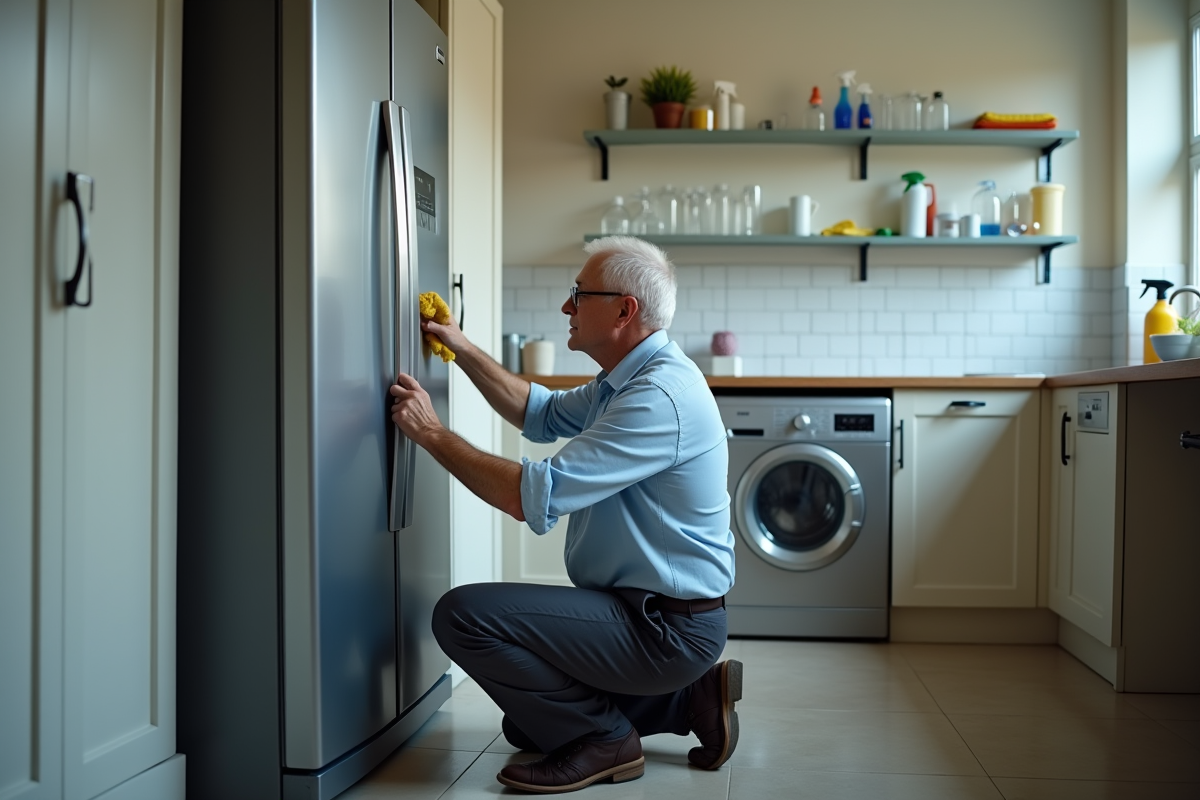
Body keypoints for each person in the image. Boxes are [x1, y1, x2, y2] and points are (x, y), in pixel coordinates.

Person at [389, 235, 742, 794]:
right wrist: (459, 344)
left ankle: (608, 741)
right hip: (642, 611)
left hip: (665, 628)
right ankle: (688, 701)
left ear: (624, 311)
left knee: (462, 616)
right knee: (524, 725)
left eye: (579, 294)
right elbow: (540, 412)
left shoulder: (658, 396)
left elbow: (530, 494)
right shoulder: (626, 379)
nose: (565, 306)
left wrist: (431, 433)